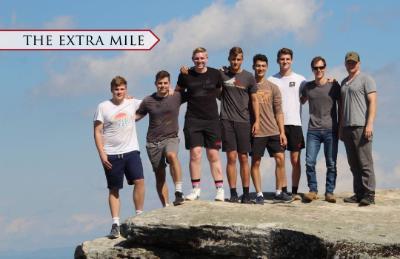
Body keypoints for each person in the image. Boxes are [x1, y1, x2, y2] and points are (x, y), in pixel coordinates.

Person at [94, 76, 145, 239]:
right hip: (111, 154)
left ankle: (139, 216)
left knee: (139, 181)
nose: (119, 92)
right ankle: (115, 224)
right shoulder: (103, 106)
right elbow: (97, 131)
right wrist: (102, 153)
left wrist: (135, 117)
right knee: (114, 188)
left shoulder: (132, 102)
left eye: (122, 89)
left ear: (126, 89)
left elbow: (150, 104)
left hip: (131, 150)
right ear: (112, 90)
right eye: (117, 89)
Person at [175, 47, 225, 201]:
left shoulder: (216, 74)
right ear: (192, 59)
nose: (200, 61)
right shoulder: (185, 74)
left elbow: (221, 93)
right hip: (193, 120)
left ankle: (220, 190)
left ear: (207, 58)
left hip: (212, 120)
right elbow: (177, 93)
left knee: (213, 155)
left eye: (202, 58)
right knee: (195, 154)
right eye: (197, 58)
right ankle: (196, 190)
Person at [136, 70, 185, 207]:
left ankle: (178, 192)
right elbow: (137, 116)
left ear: (169, 83)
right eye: (160, 83)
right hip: (153, 143)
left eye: (165, 83)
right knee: (160, 176)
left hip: (171, 138)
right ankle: (166, 206)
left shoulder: (176, 96)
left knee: (172, 155)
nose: (163, 86)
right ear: (155, 84)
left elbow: (193, 90)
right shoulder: (148, 100)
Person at [220, 47, 260, 204]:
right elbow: (205, 74)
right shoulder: (221, 74)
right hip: (226, 120)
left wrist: (256, 121)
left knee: (244, 157)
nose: (235, 62)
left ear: (242, 60)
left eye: (238, 59)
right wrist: (186, 71)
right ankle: (233, 193)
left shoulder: (249, 77)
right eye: (233, 59)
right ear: (229, 59)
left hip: (244, 121)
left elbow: (255, 100)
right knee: (231, 157)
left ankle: (246, 194)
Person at [268, 48, 306, 201]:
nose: (285, 62)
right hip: (277, 125)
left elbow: (311, 92)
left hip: (295, 123)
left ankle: (294, 191)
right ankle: (282, 190)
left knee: (295, 160)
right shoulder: (271, 80)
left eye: (287, 59)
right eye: (282, 59)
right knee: (280, 159)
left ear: (292, 60)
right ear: (278, 61)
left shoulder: (301, 80)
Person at [250, 54, 289, 204]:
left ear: (267, 67)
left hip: (273, 130)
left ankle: (279, 192)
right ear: (253, 66)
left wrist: (282, 132)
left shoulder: (273, 87)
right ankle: (259, 194)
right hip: (257, 131)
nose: (260, 68)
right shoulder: (249, 85)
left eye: (263, 66)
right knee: (256, 162)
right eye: (258, 65)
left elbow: (279, 111)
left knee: (280, 159)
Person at [301, 56, 340, 203]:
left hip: (331, 130)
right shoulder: (308, 87)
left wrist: (341, 126)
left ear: (325, 68)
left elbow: (341, 106)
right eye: (316, 68)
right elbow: (300, 99)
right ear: (312, 69)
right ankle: (313, 190)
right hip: (313, 130)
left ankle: (329, 192)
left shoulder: (334, 86)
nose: (319, 70)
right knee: (310, 162)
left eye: (321, 67)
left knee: (331, 163)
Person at [340, 51, 377, 206]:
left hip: (361, 126)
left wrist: (369, 124)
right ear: (345, 64)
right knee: (353, 163)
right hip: (347, 127)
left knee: (365, 162)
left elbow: (373, 102)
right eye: (349, 62)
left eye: (354, 62)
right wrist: (341, 128)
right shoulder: (343, 82)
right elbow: (341, 107)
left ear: (359, 63)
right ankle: (359, 192)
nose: (351, 65)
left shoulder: (366, 79)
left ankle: (369, 194)